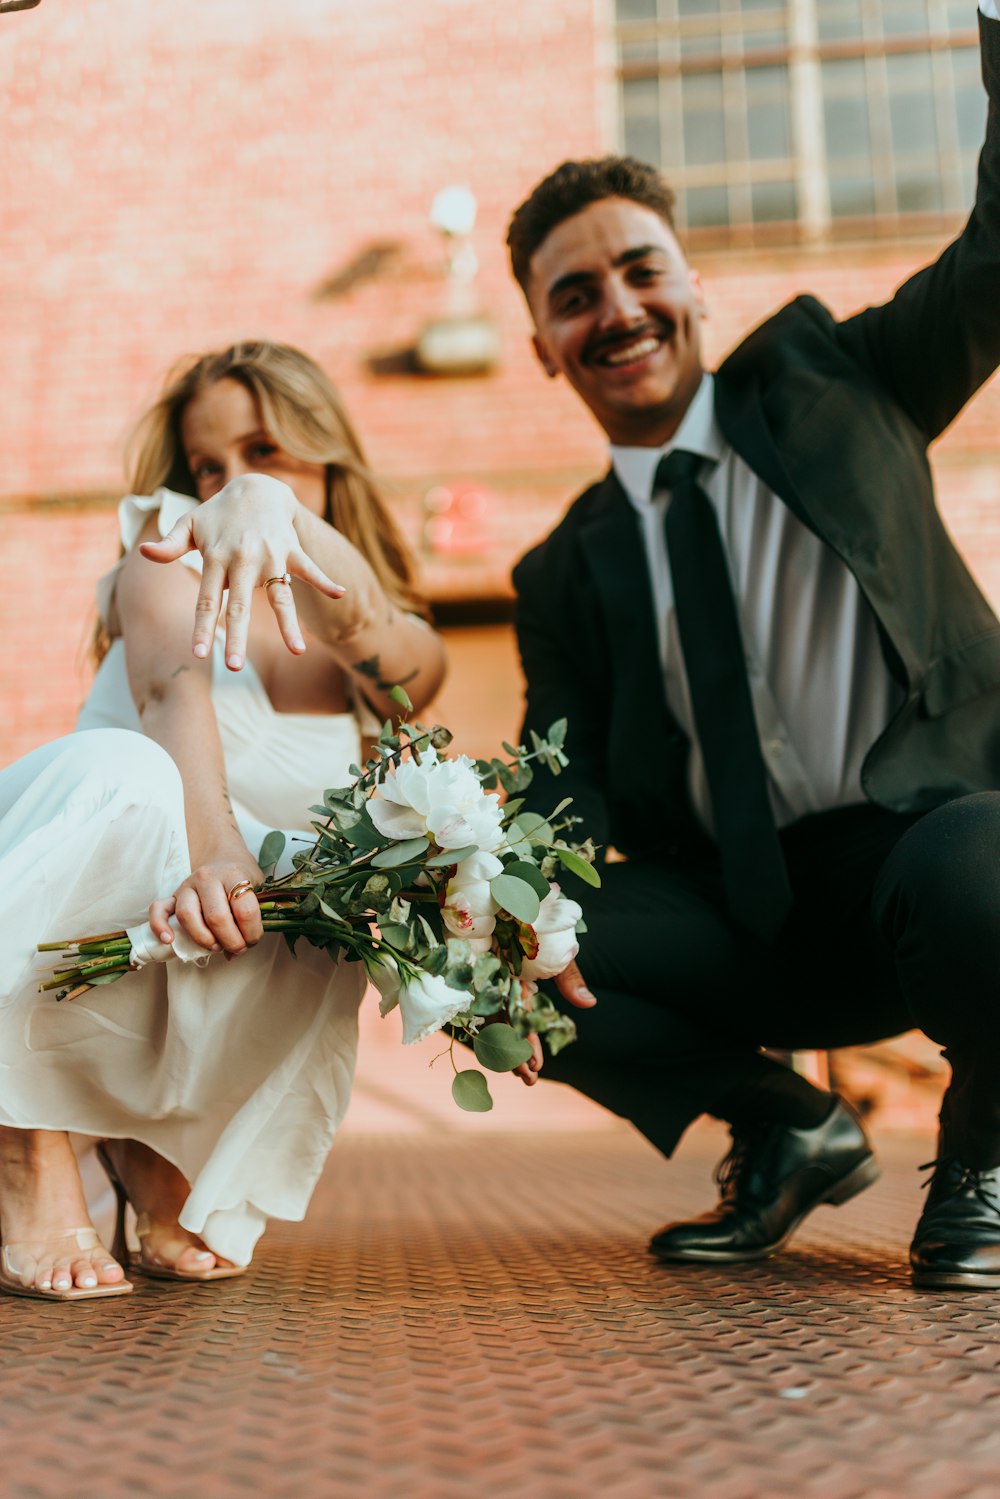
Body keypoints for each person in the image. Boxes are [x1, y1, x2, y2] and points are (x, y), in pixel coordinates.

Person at [504, 4, 1000, 1289]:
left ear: (692, 284)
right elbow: (561, 783)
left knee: (987, 855)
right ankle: (790, 1127)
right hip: (737, 912)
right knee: (481, 958)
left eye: (639, 271)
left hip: (929, 854)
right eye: (574, 296)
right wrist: (475, 890)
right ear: (545, 344)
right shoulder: (559, 569)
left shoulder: (844, 377)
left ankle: (983, 1157)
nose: (615, 310)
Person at [0, 340, 445, 1299]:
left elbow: (410, 660)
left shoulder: (374, 624)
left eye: (266, 451)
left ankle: (150, 1143)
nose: (232, 482)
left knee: (325, 883)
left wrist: (275, 515)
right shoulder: (167, 546)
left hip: (201, 936)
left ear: (328, 458)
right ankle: (22, 1140)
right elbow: (170, 692)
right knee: (131, 774)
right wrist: (218, 852)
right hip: (78, 874)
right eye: (209, 466)